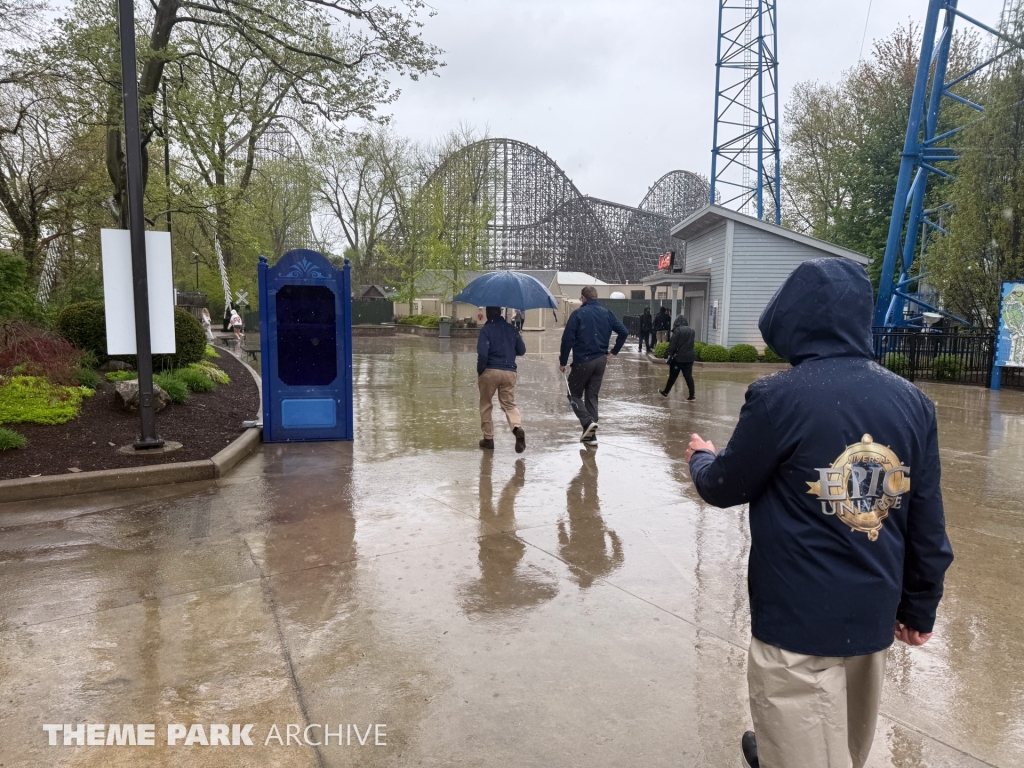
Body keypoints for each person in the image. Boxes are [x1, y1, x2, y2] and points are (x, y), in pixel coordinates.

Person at [685, 259, 953, 768]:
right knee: (847, 747)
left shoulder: (778, 398)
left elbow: (724, 486)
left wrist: (702, 456)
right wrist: (920, 606)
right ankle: (773, 750)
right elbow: (927, 521)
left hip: (796, 621)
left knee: (800, 739)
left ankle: (779, 752)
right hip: (871, 617)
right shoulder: (913, 403)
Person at [559, 286, 629, 446]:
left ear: (583, 298)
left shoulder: (578, 314)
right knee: (592, 396)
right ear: (596, 297)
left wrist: (563, 362)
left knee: (573, 394)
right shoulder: (607, 313)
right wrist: (613, 352)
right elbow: (624, 331)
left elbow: (567, 339)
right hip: (601, 361)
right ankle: (591, 437)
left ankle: (587, 421)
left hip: (583, 360)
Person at [477, 306, 527, 453]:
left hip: (491, 370)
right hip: (510, 371)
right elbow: (522, 350)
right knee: (509, 404)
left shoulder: (486, 330)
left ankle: (488, 439)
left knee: (486, 404)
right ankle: (517, 428)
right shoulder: (512, 329)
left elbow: (483, 354)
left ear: (487, 314)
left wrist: (481, 371)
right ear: (500, 313)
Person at [661, 315, 696, 400]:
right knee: (688, 376)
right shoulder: (692, 330)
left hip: (678, 358)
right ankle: (692, 395)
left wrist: (668, 353)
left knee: (672, 376)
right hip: (689, 358)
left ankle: (666, 392)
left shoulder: (677, 330)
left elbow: (673, 344)